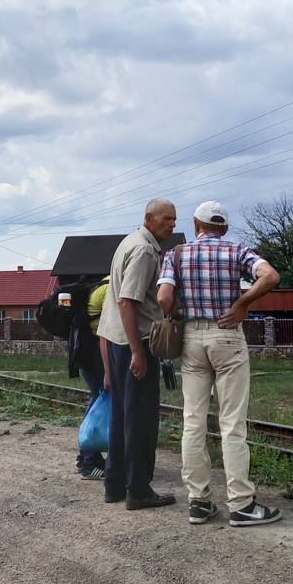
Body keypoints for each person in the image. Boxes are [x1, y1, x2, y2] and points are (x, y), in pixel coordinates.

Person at [156, 201, 282, 527]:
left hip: (192, 341)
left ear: (196, 225)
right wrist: (242, 303)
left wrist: (183, 315)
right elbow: (270, 276)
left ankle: (198, 502)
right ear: (223, 228)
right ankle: (240, 504)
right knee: (232, 424)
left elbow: (164, 299)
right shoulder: (237, 250)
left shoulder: (176, 254)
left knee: (193, 421)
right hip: (227, 336)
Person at [96, 198, 178, 510]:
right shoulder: (144, 250)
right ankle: (139, 490)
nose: (172, 224)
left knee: (121, 416)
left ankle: (115, 485)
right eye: (167, 219)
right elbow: (126, 301)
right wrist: (137, 352)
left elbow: (116, 300)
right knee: (141, 420)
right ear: (149, 218)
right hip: (135, 342)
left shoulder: (129, 242)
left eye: (174, 219)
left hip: (117, 340)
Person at [76, 276, 110, 480]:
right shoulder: (110, 287)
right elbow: (109, 326)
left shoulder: (101, 283)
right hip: (95, 349)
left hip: (85, 348)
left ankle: (86, 458)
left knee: (96, 399)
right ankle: (89, 462)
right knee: (99, 401)